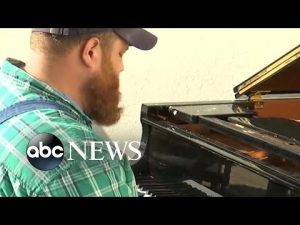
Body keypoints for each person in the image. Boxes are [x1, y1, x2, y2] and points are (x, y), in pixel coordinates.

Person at [0, 28, 157, 197]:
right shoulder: (77, 160)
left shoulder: (7, 88)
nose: (121, 67)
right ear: (91, 52)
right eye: (120, 53)